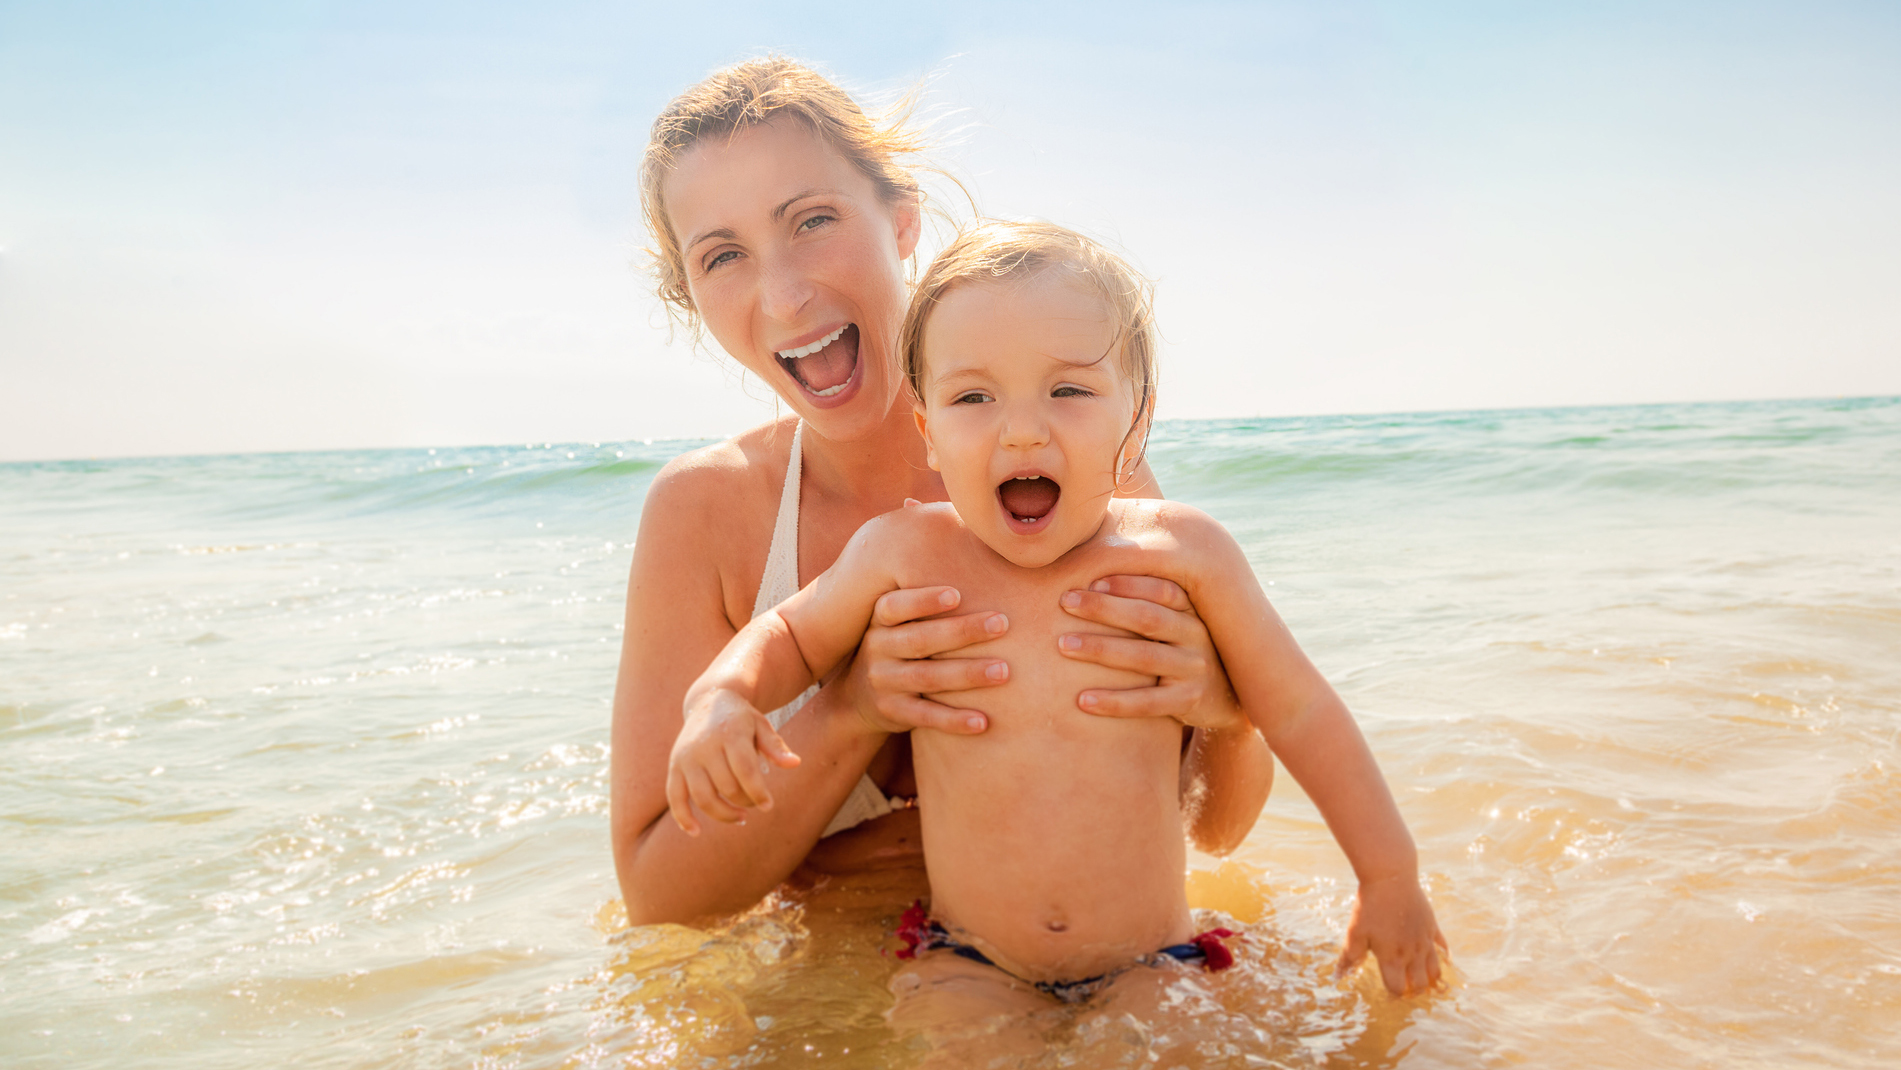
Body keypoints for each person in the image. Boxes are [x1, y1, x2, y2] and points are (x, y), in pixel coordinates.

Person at [666, 221, 1447, 1009]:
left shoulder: (1184, 553)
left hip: (1151, 957)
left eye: (1067, 389)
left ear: (1134, 420)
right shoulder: (902, 551)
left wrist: (1388, 875)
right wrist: (721, 698)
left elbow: (1303, 710)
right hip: (967, 958)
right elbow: (790, 637)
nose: (1023, 428)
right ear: (930, 434)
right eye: (974, 396)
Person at [612, 58, 1275, 926]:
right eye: (722, 256)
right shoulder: (707, 511)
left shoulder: (1051, 463)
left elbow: (1216, 832)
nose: (782, 295)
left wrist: (1225, 713)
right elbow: (660, 896)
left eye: (812, 220)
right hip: (850, 1008)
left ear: (900, 218)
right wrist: (852, 710)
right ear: (691, 293)